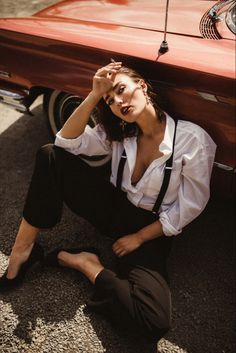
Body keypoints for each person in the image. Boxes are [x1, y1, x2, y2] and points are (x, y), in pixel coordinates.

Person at [0, 61, 216, 340]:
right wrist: (93, 95)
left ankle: (85, 262)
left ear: (143, 86)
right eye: (110, 100)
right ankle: (23, 251)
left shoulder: (193, 141)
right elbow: (66, 142)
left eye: (121, 90)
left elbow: (189, 207)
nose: (118, 102)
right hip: (113, 206)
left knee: (152, 321)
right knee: (50, 155)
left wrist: (138, 237)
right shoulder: (119, 132)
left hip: (150, 227)